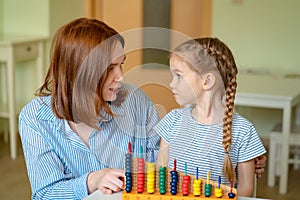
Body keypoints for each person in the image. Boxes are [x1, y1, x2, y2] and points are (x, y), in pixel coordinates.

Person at [18, 18, 160, 199]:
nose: (121, 77)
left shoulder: (135, 101)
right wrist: (92, 181)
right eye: (110, 68)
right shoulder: (36, 118)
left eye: (121, 64)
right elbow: (45, 194)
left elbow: (163, 163)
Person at [155, 37, 266, 196]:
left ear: (207, 81)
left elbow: (246, 189)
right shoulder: (172, 120)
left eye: (179, 76)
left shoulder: (243, 130)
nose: (172, 84)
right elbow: (161, 173)